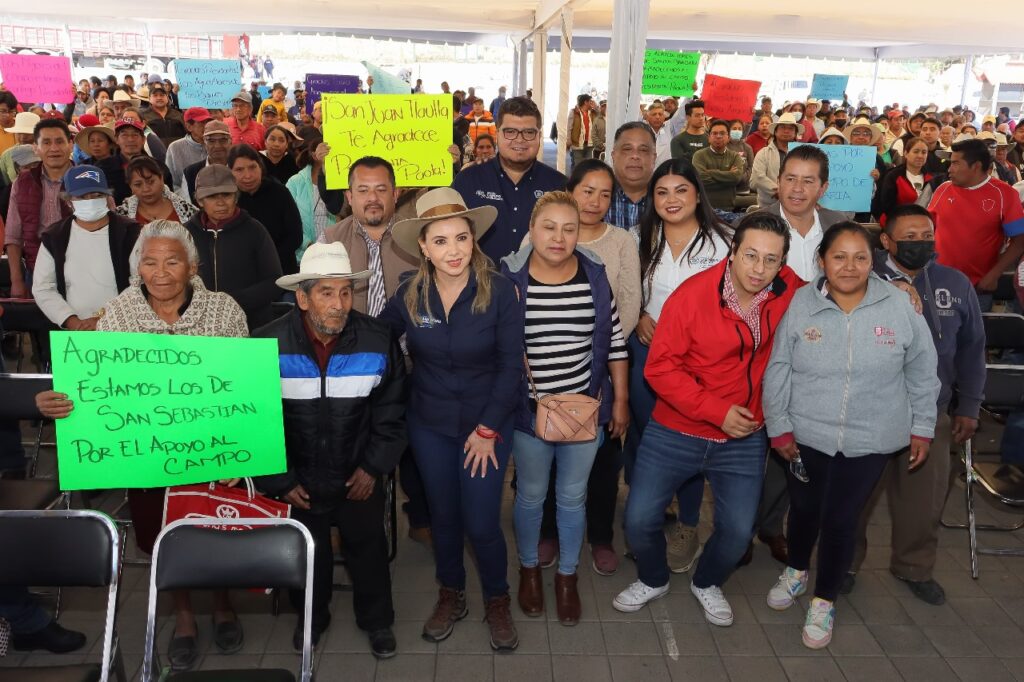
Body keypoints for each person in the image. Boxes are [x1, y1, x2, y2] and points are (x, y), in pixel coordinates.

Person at [36, 220, 249, 671]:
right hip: (147, 454)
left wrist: (241, 447)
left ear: (191, 265)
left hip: (211, 448)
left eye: (172, 260)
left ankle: (224, 604)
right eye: (150, 261)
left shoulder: (224, 310)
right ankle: (185, 615)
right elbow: (95, 389)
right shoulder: (117, 314)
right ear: (137, 269)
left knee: (216, 530)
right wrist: (57, 401)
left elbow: (244, 388)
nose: (162, 271)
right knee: (162, 534)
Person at [616, 212, 802, 627]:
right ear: (732, 252)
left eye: (771, 260)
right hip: (676, 430)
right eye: (750, 255)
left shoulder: (791, 290)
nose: (759, 268)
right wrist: (717, 412)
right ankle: (653, 577)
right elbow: (659, 370)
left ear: (783, 263)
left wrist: (896, 285)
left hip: (743, 440)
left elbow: (838, 291)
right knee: (640, 518)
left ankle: (707, 581)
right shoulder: (692, 296)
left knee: (737, 533)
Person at [763, 221, 940, 649]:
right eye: (838, 256)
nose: (849, 266)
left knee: (842, 518)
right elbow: (779, 369)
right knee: (804, 510)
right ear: (822, 261)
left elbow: (921, 370)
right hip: (806, 434)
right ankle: (797, 570)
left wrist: (923, 427)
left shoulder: (898, 305)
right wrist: (779, 427)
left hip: (871, 439)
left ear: (872, 261)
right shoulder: (800, 304)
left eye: (860, 257)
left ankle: (823, 600)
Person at [379, 187, 522, 650]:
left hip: (488, 422)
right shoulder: (409, 294)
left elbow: (509, 367)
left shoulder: (500, 290)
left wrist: (487, 430)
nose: (453, 250)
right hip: (430, 424)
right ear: (422, 246)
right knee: (443, 519)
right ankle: (452, 593)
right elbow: (375, 336)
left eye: (461, 238)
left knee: (481, 522)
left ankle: (497, 600)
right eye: (440, 241)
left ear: (474, 239)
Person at [255, 241, 406, 658]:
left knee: (368, 549)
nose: (338, 303)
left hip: (356, 475)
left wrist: (373, 468)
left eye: (345, 291)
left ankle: (377, 622)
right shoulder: (265, 345)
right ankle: (310, 619)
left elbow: (392, 413)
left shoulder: (377, 339)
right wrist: (279, 480)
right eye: (325, 292)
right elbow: (257, 423)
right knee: (306, 555)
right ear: (302, 298)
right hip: (297, 480)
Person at [842, 204, 985, 605]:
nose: (919, 245)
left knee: (924, 502)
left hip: (929, 413)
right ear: (886, 241)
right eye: (909, 238)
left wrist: (969, 405)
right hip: (868, 411)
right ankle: (843, 563)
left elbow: (973, 349)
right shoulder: (860, 278)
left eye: (926, 238)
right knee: (854, 498)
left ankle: (914, 567)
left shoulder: (955, 284)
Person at [500, 191, 629, 625]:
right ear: (531, 231)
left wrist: (621, 402)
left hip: (584, 411)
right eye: (549, 227)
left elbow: (613, 341)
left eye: (569, 228)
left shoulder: (594, 275)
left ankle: (568, 578)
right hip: (527, 413)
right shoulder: (510, 277)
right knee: (532, 496)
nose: (559, 237)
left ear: (579, 232)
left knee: (573, 498)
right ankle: (530, 571)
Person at [532, 160, 640, 575]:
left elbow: (629, 300)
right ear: (570, 191)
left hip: (601, 367)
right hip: (546, 375)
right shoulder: (544, 236)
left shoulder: (622, 241)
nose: (595, 201)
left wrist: (597, 345)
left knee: (601, 460)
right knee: (543, 458)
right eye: (587, 190)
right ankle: (547, 532)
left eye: (605, 193)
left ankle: (599, 535)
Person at [627, 158, 733, 572]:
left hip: (699, 363)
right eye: (662, 192)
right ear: (652, 200)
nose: (671, 200)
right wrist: (637, 316)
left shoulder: (724, 242)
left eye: (681, 191)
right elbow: (624, 289)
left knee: (690, 441)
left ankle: (688, 524)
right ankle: (644, 521)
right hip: (647, 353)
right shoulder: (637, 238)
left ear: (697, 194)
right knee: (643, 435)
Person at [452, 96, 566, 263]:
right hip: (481, 286)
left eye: (528, 132)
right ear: (497, 134)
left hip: (538, 287)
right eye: (510, 131)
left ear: (539, 136)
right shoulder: (468, 180)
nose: (519, 139)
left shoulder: (559, 185)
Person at [32, 165, 140, 329]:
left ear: (107, 196)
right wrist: (71, 320)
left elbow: (140, 281)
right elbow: (43, 287)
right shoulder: (54, 237)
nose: (90, 201)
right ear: (68, 201)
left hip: (124, 325)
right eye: (81, 197)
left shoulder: (130, 232)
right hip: (76, 332)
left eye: (96, 195)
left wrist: (107, 318)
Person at [182, 164, 282, 328]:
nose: (221, 202)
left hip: (250, 324)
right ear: (199, 200)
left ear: (236, 197)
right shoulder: (185, 234)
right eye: (212, 196)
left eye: (226, 195)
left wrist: (228, 302)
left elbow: (274, 281)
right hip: (198, 325)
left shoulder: (254, 230)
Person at [928, 137, 1024, 308]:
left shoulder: (1005, 194)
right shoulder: (943, 189)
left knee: (974, 334)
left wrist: (994, 274)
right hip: (938, 281)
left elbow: (1019, 241)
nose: (949, 169)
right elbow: (928, 230)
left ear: (976, 166)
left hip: (977, 287)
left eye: (956, 163)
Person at [755, 144, 848, 282]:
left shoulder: (840, 226)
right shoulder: (752, 227)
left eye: (808, 181)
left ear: (823, 188)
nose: (797, 188)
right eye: (790, 179)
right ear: (778, 182)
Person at [4, 118, 74, 298]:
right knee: (41, 324)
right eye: (46, 142)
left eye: (59, 141)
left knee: (81, 325)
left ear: (71, 144)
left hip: (82, 272)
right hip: (36, 271)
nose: (54, 148)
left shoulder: (88, 178)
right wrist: (17, 281)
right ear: (36, 147)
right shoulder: (23, 182)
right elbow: (13, 236)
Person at [228, 143, 304, 276]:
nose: (248, 176)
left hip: (281, 271)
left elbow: (295, 235)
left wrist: (268, 259)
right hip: (241, 273)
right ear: (230, 172)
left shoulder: (279, 192)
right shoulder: (228, 199)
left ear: (260, 166)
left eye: (252, 167)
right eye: (239, 170)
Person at [100, 119, 173, 204]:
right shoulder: (103, 168)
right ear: (116, 139)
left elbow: (169, 197)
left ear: (143, 139)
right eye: (124, 135)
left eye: (135, 135)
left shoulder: (158, 166)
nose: (130, 139)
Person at [287, 128, 333, 262]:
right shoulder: (295, 182)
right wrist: (308, 245)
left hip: (334, 253)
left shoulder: (340, 184)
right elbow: (289, 222)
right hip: (305, 256)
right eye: (325, 149)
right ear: (314, 154)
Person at [116, 156, 199, 225]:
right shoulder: (120, 216)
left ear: (161, 179)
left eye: (151, 182)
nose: (146, 189)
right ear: (130, 186)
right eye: (138, 185)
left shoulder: (187, 211)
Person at [605, 122, 656, 229]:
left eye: (643, 150)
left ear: (654, 157)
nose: (635, 156)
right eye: (627, 149)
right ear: (613, 155)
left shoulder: (667, 200)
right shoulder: (595, 199)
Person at [875, 137, 933, 225]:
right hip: (895, 224)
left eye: (924, 152)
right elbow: (886, 207)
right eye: (916, 151)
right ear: (906, 153)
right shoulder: (893, 176)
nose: (920, 155)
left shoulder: (932, 178)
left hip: (922, 225)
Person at [750, 112, 802, 207]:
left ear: (795, 133)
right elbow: (757, 177)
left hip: (796, 205)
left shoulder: (802, 155)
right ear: (775, 131)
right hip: (768, 206)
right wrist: (778, 191)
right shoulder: (763, 153)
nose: (786, 131)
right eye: (782, 127)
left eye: (791, 128)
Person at [692, 119, 746, 210]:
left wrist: (711, 172)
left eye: (722, 133)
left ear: (728, 137)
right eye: (715, 133)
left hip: (728, 208)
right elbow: (700, 179)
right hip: (704, 208)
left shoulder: (735, 156)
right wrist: (728, 176)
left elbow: (736, 178)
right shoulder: (699, 155)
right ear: (709, 137)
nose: (718, 136)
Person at [181, 120, 232, 204]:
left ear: (231, 141)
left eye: (223, 140)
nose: (217, 146)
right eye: (211, 141)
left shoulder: (239, 169)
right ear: (203, 142)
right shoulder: (190, 173)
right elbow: (188, 207)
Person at [165, 107, 211, 191]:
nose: (206, 126)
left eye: (207, 122)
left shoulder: (216, 145)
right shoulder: (175, 148)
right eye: (201, 123)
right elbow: (171, 182)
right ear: (189, 126)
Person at [142, 81, 187, 146]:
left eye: (162, 95)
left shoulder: (178, 115)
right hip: (153, 154)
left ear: (167, 97)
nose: (159, 98)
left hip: (177, 153)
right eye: (155, 95)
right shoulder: (143, 116)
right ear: (149, 98)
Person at [670, 99, 708, 163]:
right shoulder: (677, 140)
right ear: (688, 117)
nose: (701, 118)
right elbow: (679, 163)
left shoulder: (709, 138)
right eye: (697, 115)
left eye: (702, 115)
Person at [567, 94, 597, 168]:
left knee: (590, 166)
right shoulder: (574, 112)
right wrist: (568, 139)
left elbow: (603, 115)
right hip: (577, 144)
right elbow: (569, 127)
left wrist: (596, 107)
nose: (592, 102)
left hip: (590, 143)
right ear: (585, 102)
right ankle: (576, 179)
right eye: (590, 101)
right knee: (578, 166)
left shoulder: (593, 112)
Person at [645, 101, 672, 166]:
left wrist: (689, 94)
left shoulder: (670, 127)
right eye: (654, 114)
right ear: (647, 117)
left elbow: (680, 116)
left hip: (665, 172)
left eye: (660, 114)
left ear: (664, 117)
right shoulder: (641, 129)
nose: (657, 117)